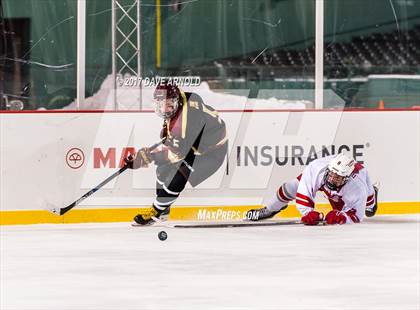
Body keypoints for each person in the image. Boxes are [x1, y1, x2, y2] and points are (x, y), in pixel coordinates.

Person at [125, 81, 228, 225]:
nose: (165, 109)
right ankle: (164, 210)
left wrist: (148, 158)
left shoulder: (187, 119)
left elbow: (179, 152)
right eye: (161, 104)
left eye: (169, 104)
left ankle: (156, 211)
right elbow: (175, 142)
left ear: (177, 101)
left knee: (179, 172)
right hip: (195, 145)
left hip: (211, 153)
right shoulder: (182, 101)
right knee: (162, 170)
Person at [246, 153, 379, 225]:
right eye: (331, 174)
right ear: (328, 169)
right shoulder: (315, 169)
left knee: (369, 205)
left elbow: (356, 216)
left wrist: (343, 217)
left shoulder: (356, 186)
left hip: (357, 185)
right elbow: (304, 196)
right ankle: (269, 209)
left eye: (338, 178)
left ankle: (373, 195)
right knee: (289, 187)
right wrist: (308, 213)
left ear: (347, 178)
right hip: (320, 176)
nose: (332, 179)